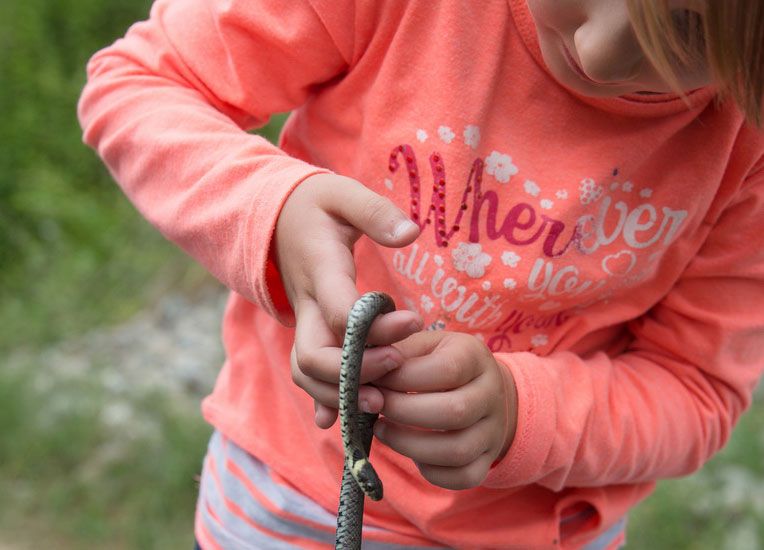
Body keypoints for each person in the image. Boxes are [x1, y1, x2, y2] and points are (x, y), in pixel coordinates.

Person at [78, 0, 764, 548]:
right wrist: (272, 209)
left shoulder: (748, 144)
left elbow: (695, 388)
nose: (598, 51)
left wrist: (523, 416)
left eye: (683, 30)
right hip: (284, 506)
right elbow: (140, 84)